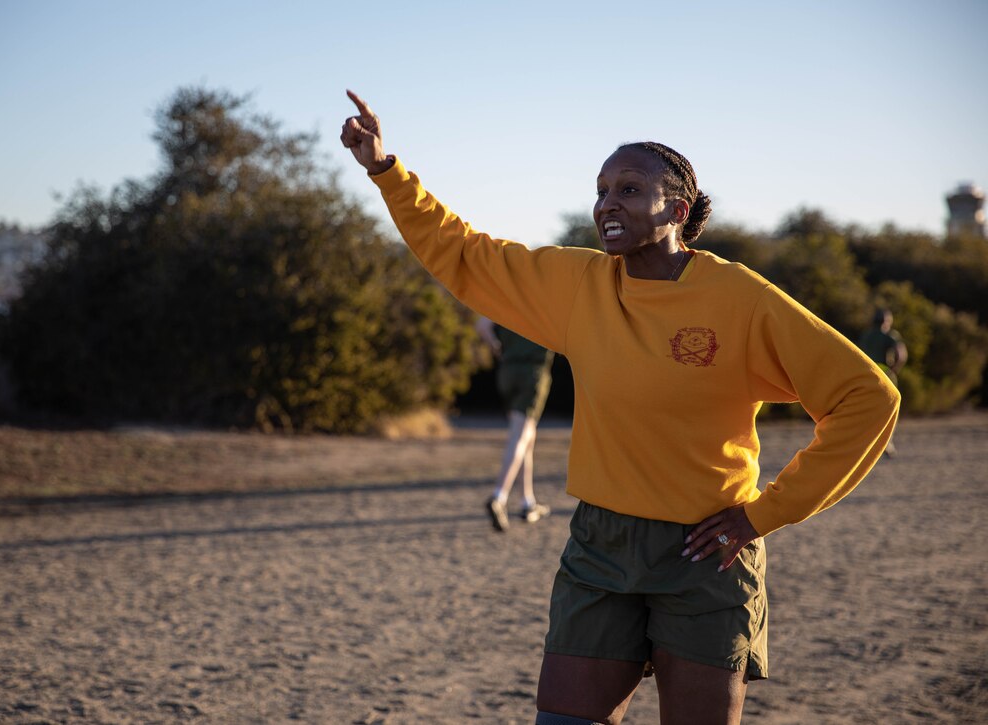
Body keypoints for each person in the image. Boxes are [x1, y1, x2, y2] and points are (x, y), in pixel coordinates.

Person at [341, 91, 899, 725]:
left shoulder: (741, 298)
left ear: (678, 209)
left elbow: (867, 396)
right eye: (601, 190)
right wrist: (385, 170)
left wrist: (764, 515)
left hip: (706, 552)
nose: (607, 202)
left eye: (629, 189)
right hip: (599, 546)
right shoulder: (579, 284)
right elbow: (464, 253)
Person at [475, 315, 555, 531]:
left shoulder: (507, 297)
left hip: (507, 372)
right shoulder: (544, 301)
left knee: (527, 436)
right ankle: (499, 497)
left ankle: (527, 502)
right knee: (520, 436)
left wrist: (496, 346)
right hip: (532, 373)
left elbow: (482, 326)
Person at [858, 308, 907, 384]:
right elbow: (901, 357)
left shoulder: (866, 335)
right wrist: (893, 371)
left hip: (866, 373)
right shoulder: (891, 335)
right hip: (884, 374)